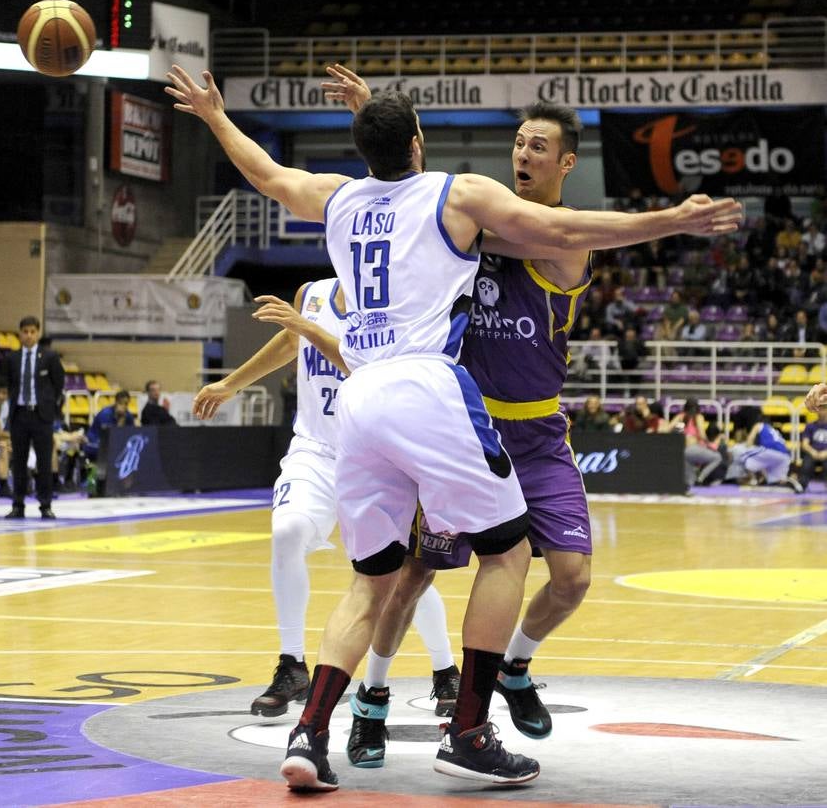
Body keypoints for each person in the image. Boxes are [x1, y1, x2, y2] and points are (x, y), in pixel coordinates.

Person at [166, 62, 740, 791]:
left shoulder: (338, 199)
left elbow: (268, 174)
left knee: (367, 583)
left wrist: (215, 115)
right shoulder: (457, 194)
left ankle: (309, 736)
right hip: (426, 389)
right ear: (418, 142)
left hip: (359, 399)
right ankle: (467, 730)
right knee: (505, 555)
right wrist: (673, 219)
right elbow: (561, 226)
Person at [192, 279, 459, 723]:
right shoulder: (311, 295)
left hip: (377, 454)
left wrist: (306, 328)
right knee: (287, 532)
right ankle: (291, 665)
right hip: (315, 450)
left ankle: (445, 667)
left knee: (401, 574)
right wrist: (229, 384)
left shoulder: (397, 300)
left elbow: (365, 366)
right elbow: (289, 342)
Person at [2, 316, 64, 519]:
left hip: (41, 415)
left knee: (44, 462)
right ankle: (18, 504)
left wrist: (47, 405)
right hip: (19, 414)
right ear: (20, 334)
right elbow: (9, 383)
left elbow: (58, 384)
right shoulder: (12, 358)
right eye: (25, 332)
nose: (28, 335)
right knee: (18, 462)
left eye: (32, 331)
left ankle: (45, 504)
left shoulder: (50, 357)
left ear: (38, 333)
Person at [725, 405, 803, 492]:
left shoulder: (758, 425)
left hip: (773, 453)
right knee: (775, 481)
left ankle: (752, 479)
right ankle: (793, 483)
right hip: (785, 457)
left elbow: (749, 443)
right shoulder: (772, 429)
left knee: (740, 451)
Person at [669, 398, 724, 489]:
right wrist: (709, 444)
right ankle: (700, 478)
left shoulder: (680, 416)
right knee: (717, 457)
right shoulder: (698, 417)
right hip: (693, 449)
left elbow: (670, 429)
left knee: (690, 482)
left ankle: (693, 480)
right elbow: (702, 434)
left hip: (682, 451)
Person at [83, 390, 138, 462]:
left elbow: (132, 434)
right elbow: (109, 438)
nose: (123, 406)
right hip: (95, 441)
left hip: (112, 446)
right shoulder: (105, 414)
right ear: (116, 402)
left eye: (126, 404)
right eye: (121, 403)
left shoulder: (128, 416)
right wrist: (120, 423)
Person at [797, 404, 827, 491]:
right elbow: (805, 444)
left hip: (825, 453)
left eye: (824, 409)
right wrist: (813, 452)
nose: (821, 412)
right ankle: (802, 485)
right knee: (807, 463)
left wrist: (825, 453)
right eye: (820, 409)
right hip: (812, 452)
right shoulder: (810, 426)